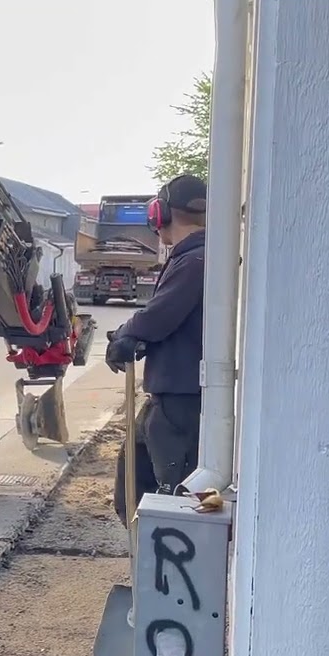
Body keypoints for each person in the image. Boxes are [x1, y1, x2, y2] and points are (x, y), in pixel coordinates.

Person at [106, 173, 208, 527]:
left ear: (159, 214)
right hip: (168, 398)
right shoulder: (194, 258)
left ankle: (170, 576)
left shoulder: (196, 261)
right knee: (133, 489)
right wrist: (132, 335)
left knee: (176, 502)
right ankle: (148, 570)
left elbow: (159, 316)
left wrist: (127, 334)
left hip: (182, 402)